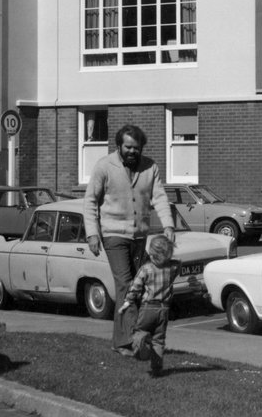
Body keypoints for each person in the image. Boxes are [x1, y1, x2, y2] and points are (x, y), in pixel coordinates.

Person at [83, 124, 174, 355]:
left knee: (137, 287)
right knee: (125, 285)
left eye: (137, 148)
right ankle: (134, 339)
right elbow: (90, 201)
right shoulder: (104, 166)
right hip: (113, 234)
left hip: (139, 235)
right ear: (119, 146)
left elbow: (159, 197)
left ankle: (122, 341)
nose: (133, 151)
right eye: (128, 147)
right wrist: (93, 234)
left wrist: (169, 225)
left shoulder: (149, 167)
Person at [118, 234, 181, 377]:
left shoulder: (145, 269)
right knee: (159, 340)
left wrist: (127, 302)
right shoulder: (171, 268)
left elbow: (135, 287)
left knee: (139, 331)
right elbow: (178, 263)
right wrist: (168, 258)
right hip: (164, 309)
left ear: (152, 254)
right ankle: (157, 369)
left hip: (148, 308)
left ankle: (141, 350)